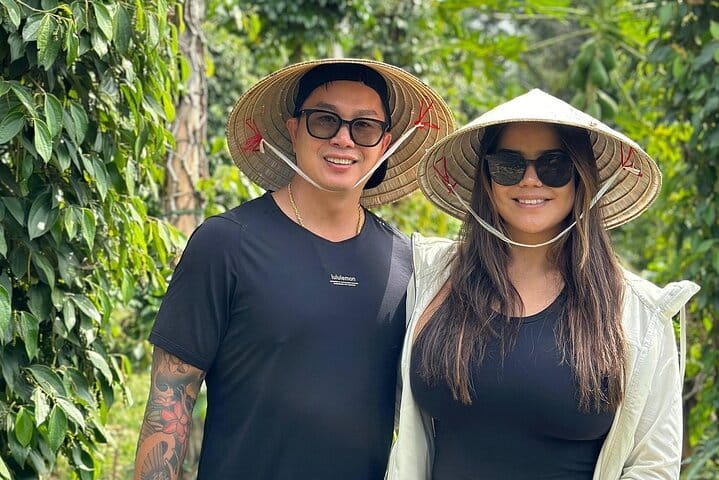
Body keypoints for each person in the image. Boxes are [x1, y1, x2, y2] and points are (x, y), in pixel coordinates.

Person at [133, 58, 454, 480]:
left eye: (364, 127)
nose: (343, 138)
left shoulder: (405, 263)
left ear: (385, 144)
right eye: (324, 120)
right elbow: (169, 400)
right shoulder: (226, 243)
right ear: (294, 129)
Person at [386, 89, 700, 479]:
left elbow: (652, 466)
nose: (530, 180)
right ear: (487, 179)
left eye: (554, 165)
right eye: (508, 165)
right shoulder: (434, 279)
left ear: (581, 176)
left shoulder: (638, 314)